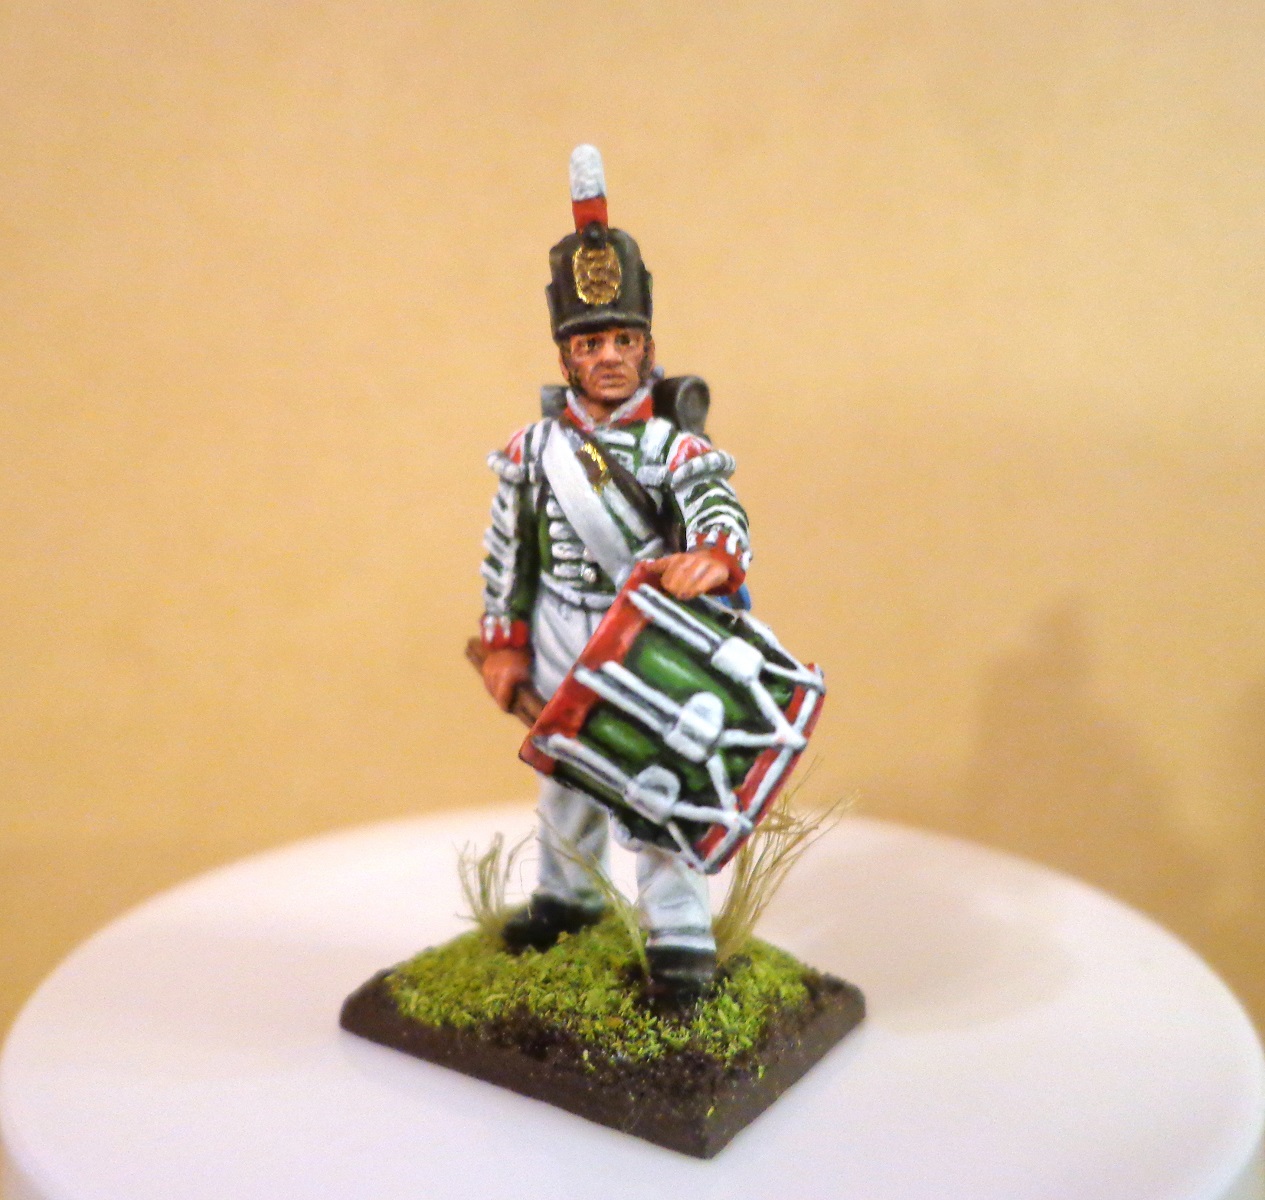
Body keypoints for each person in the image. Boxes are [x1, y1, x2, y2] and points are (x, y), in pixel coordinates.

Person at [477, 146, 751, 999]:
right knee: (564, 774)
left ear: (647, 347)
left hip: (641, 635)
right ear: (566, 356)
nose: (607, 356)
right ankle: (567, 899)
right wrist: (505, 641)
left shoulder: (675, 448)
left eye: (622, 340)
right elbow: (508, 552)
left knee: (655, 782)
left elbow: (716, 505)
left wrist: (712, 555)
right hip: (558, 626)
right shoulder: (533, 450)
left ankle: (678, 935)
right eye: (589, 341)